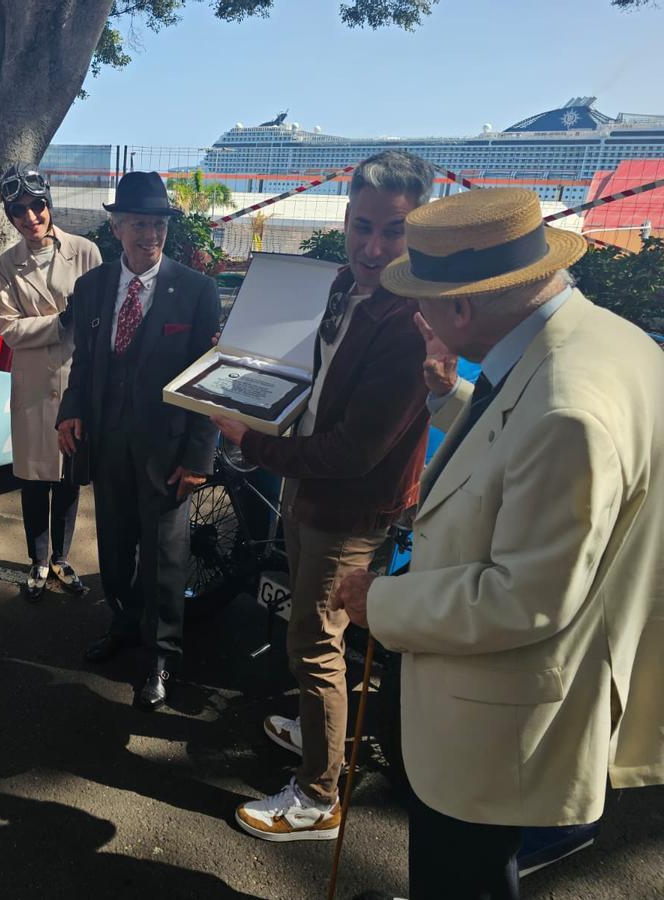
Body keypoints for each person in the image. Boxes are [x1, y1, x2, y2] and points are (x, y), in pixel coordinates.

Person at [332, 187, 664, 899]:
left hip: (498, 716)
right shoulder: (602, 341)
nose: (412, 310)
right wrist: (452, 399)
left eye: (420, 296)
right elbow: (518, 469)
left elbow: (525, 598)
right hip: (513, 702)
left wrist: (380, 601)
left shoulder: (567, 407)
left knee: (465, 876)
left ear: (462, 307)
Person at [212, 150, 435, 841]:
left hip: (350, 506)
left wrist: (246, 438)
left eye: (393, 233)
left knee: (315, 644)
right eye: (363, 225)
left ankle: (317, 798)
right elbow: (301, 372)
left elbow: (349, 454)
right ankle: (319, 732)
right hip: (308, 490)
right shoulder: (344, 285)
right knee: (310, 636)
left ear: (416, 232)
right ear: (345, 219)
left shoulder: (408, 326)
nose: (373, 247)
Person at [56, 171, 220, 710]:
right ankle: (123, 624)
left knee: (165, 559)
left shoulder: (195, 292)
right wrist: (70, 412)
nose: (150, 234)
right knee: (115, 544)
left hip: (168, 453)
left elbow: (208, 379)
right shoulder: (93, 287)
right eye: (139, 224)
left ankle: (160, 656)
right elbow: (83, 363)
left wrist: (200, 457)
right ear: (117, 226)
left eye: (158, 224)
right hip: (108, 445)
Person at [0, 164, 102, 600]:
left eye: (37, 205)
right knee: (35, 477)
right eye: (19, 210)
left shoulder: (86, 251)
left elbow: (99, 320)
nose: (30, 216)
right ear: (10, 216)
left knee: (70, 476)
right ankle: (37, 560)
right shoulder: (7, 263)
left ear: (48, 204)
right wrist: (61, 322)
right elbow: (8, 328)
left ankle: (61, 557)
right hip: (35, 383)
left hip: (77, 379)